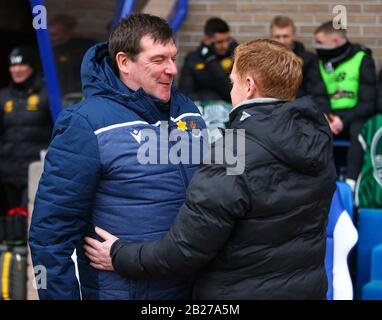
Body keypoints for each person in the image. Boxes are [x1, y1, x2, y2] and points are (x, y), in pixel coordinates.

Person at [84, 39, 337, 300]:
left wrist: (119, 255)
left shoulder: (233, 151)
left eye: (233, 82)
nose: (231, 91)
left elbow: (184, 251)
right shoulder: (316, 141)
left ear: (249, 86)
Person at [29, 13, 206, 300]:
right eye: (158, 60)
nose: (172, 69)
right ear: (124, 62)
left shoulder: (187, 110)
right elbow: (50, 235)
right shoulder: (85, 123)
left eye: (173, 57)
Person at [310, 21, 377, 188]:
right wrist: (328, 118)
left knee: (359, 129)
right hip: (330, 118)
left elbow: (369, 103)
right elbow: (319, 98)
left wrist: (342, 120)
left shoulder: (362, 59)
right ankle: (315, 184)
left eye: (320, 42)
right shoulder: (319, 64)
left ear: (335, 42)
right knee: (312, 128)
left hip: (356, 116)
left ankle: (351, 184)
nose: (316, 46)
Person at [0, 46, 52, 210]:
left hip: (36, 170)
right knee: (12, 221)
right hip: (8, 172)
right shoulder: (3, 96)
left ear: (31, 66)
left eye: (22, 65)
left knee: (29, 217)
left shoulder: (47, 93)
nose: (17, 69)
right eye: (13, 65)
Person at [178, 17, 237, 102]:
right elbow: (185, 94)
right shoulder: (193, 59)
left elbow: (233, 93)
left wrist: (212, 61)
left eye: (228, 40)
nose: (225, 46)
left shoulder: (236, 56)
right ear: (206, 40)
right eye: (220, 42)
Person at [49, 14, 96, 96]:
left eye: (54, 34)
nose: (50, 38)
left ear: (67, 34)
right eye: (48, 34)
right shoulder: (47, 50)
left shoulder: (81, 50)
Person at [271, 15, 317, 98]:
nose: (282, 41)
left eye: (286, 36)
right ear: (272, 37)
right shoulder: (264, 59)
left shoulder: (309, 60)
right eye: (277, 37)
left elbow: (316, 88)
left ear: (293, 35)